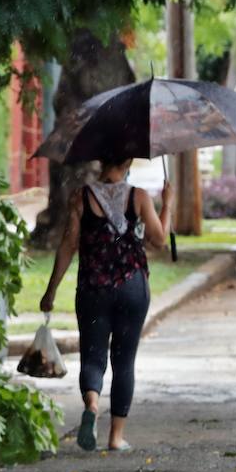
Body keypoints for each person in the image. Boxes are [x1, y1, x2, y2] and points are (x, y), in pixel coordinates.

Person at [40, 159, 172, 452]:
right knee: (124, 361)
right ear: (126, 162)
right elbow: (159, 240)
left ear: (101, 160)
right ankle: (115, 437)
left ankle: (92, 404)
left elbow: (68, 245)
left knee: (93, 356)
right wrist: (168, 204)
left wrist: (51, 291)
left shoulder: (81, 196)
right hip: (132, 287)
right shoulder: (138, 196)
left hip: (92, 289)